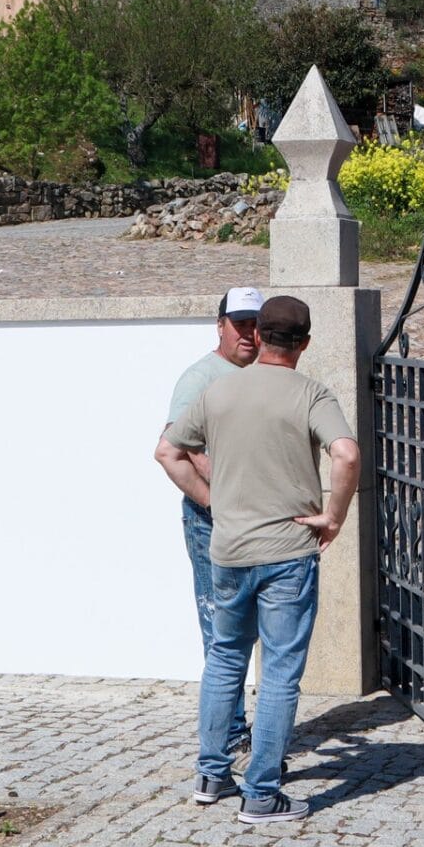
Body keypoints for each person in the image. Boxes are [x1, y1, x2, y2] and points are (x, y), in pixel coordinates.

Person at [162, 295, 361, 824]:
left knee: (225, 657)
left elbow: (167, 451)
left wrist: (214, 502)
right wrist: (334, 516)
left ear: (261, 335)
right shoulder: (312, 392)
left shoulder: (219, 390)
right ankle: (262, 792)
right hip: (287, 553)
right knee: (278, 672)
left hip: (228, 549)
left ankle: (211, 773)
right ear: (305, 343)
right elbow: (346, 453)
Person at [154, 286, 264, 758]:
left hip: (254, 520)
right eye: (239, 323)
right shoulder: (200, 378)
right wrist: (218, 501)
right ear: (219, 325)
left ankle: (236, 729)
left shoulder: (261, 373)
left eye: (255, 324)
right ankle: (231, 732)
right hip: (212, 521)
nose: (247, 333)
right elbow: (179, 447)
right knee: (221, 626)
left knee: (247, 623)